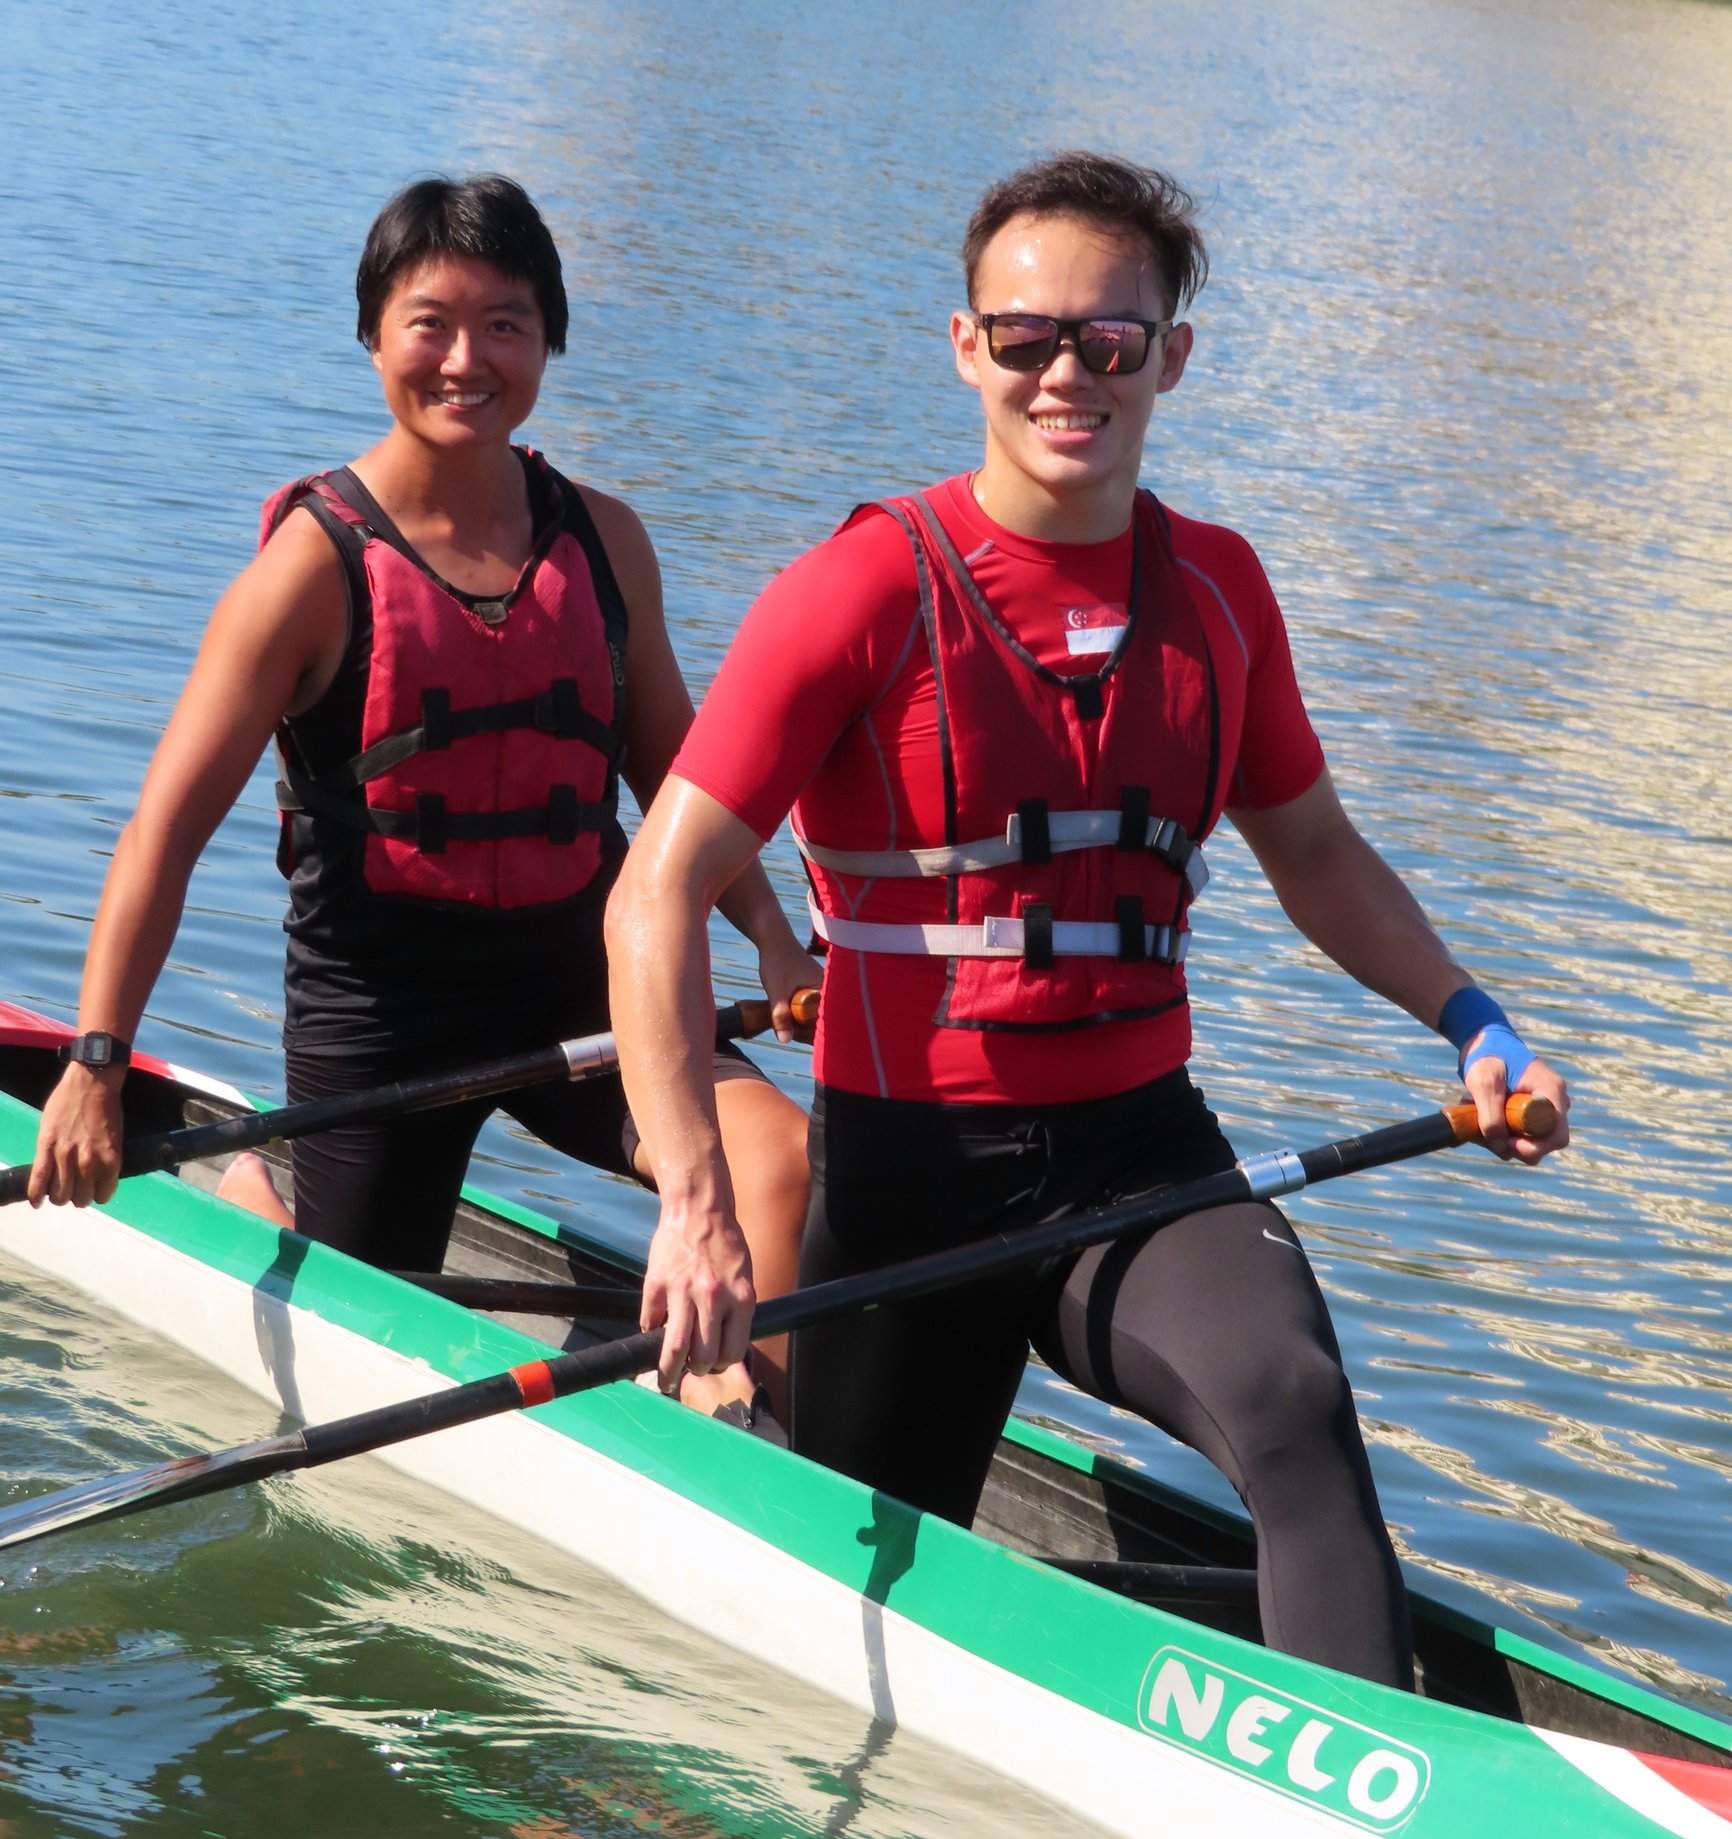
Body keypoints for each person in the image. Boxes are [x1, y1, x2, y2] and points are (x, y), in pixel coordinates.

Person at [604, 151, 1572, 1686]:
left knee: (1297, 1405)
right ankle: (743, 1419)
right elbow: (651, 894)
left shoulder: (1223, 591)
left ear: (1170, 357)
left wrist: (1479, 1023)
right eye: (1025, 336)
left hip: (1139, 1159)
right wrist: (695, 1204)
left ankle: (1370, 1805)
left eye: (1109, 341)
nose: (1067, 372)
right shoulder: (860, 590)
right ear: (965, 346)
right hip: (913, 1166)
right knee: (850, 1560)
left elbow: (1317, 854)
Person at [27, 175, 813, 1429]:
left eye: (506, 323)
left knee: (780, 1163)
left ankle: (752, 1433)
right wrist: (96, 1060)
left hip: (584, 982)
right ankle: (251, 1193)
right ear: (373, 335)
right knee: (366, 1318)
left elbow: (678, 779)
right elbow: (162, 834)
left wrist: (771, 932)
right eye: (429, 322)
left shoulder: (604, 540)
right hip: (382, 1009)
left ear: (549, 339)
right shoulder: (310, 571)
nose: (467, 358)